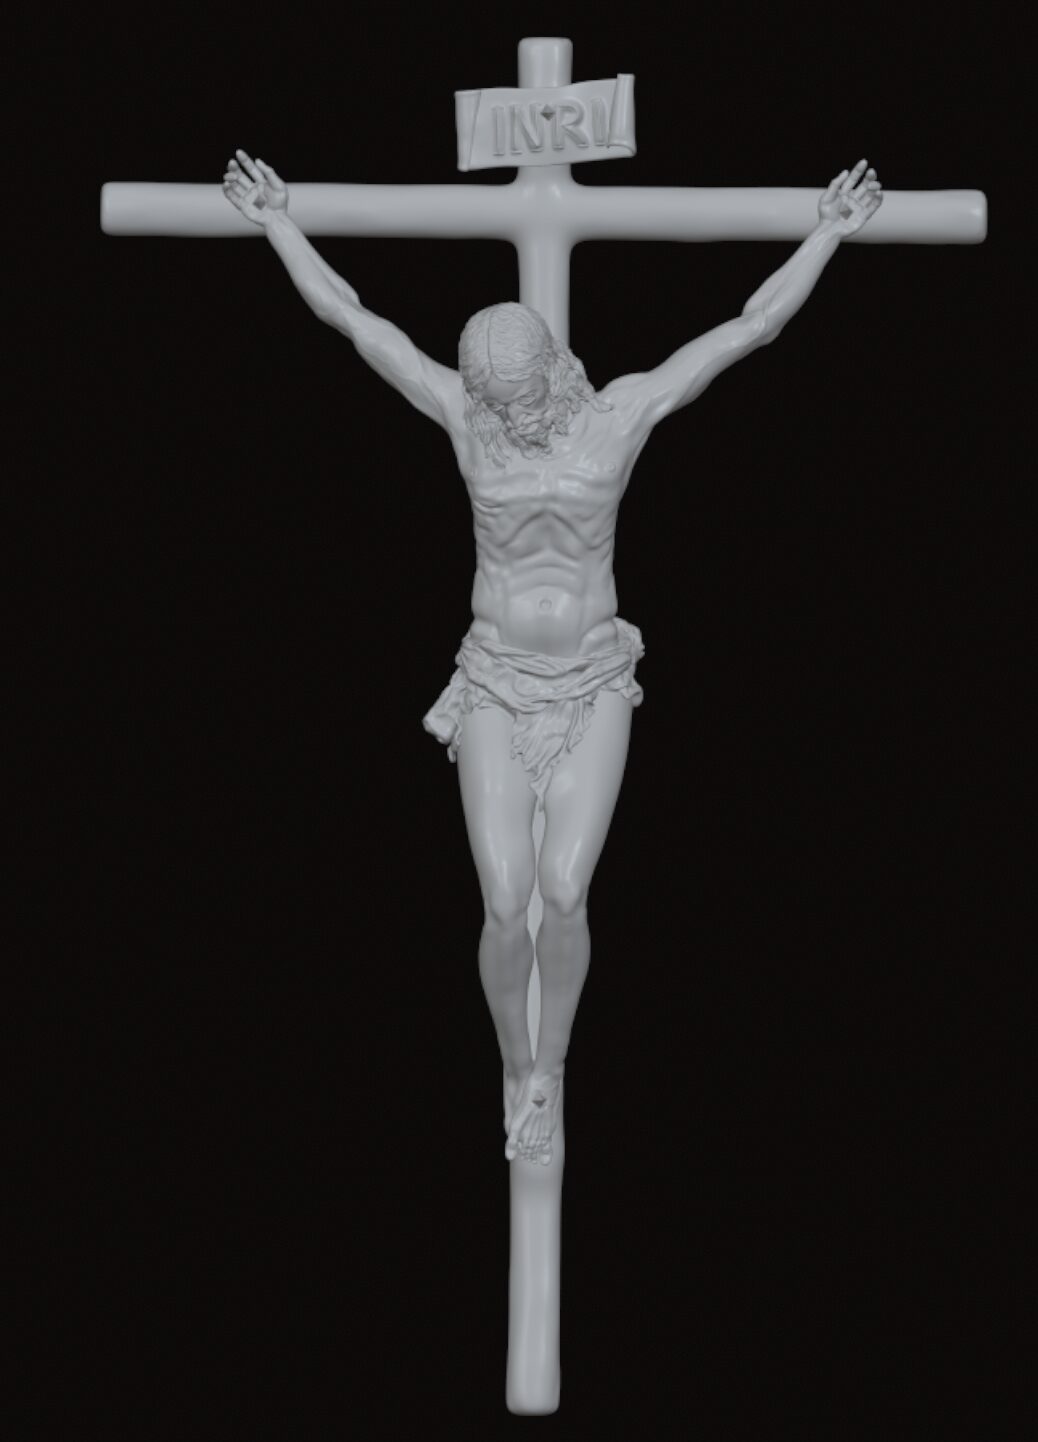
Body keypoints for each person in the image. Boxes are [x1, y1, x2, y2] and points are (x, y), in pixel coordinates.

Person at [222, 149, 883, 1165]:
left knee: (563, 891)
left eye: (518, 395)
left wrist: (828, 232)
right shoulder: (468, 419)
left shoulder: (616, 420)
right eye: (493, 400)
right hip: (494, 676)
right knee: (503, 899)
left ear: (552, 370)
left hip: (590, 678)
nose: (507, 415)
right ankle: (512, 1059)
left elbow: (749, 327)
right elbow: (356, 321)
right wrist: (278, 224)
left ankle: (551, 1066)